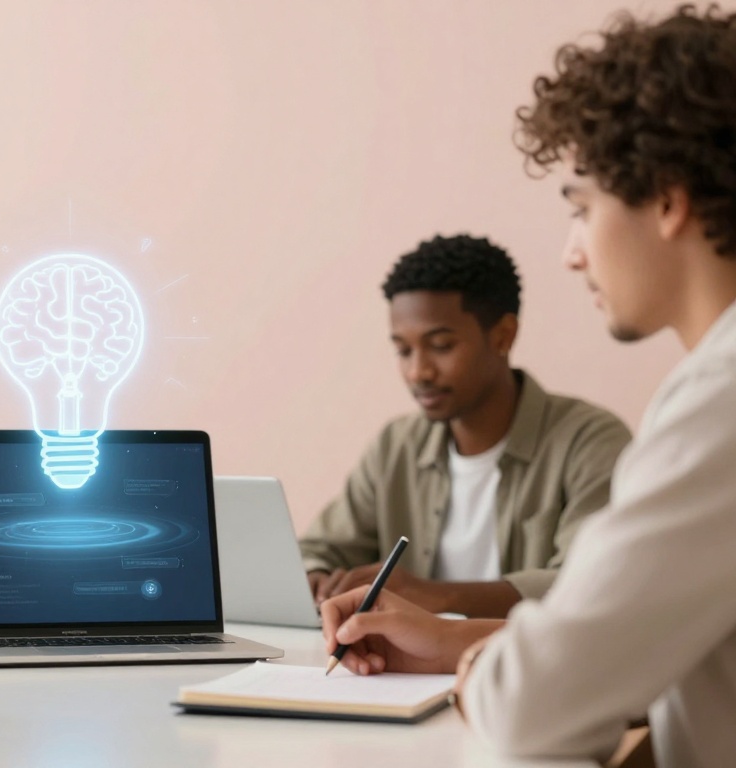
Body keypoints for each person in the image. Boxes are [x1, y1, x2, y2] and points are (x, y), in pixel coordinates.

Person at [321, 6, 736, 767]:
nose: (574, 253)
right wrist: (453, 640)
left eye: (583, 208)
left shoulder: (719, 401)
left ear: (668, 201)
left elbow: (534, 708)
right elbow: (632, 645)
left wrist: (483, 662)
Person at [300, 234, 631, 617]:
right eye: (403, 350)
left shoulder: (591, 442)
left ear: (503, 336)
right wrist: (315, 579)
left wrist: (432, 596)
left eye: (441, 346)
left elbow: (593, 583)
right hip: (402, 659)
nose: (418, 372)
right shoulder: (396, 445)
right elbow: (318, 550)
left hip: (521, 656)